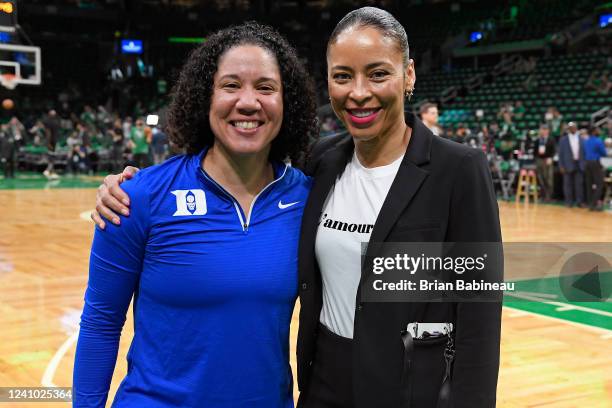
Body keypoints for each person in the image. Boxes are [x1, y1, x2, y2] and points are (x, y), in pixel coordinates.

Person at [93, 8, 502, 408]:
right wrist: (127, 183)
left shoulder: (458, 171)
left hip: (410, 389)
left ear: (408, 74)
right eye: (343, 76)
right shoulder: (321, 165)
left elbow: (479, 321)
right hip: (323, 384)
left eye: (378, 73)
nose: (359, 92)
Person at [74, 21, 317, 407]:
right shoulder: (137, 197)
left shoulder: (309, 199)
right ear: (206, 97)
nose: (249, 102)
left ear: (288, 103)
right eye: (231, 85)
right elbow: (101, 323)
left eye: (266, 87)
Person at [558, 121, 586, 207]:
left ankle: (579, 202)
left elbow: (584, 153)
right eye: (571, 127)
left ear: (576, 128)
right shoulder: (563, 140)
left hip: (579, 164)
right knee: (567, 184)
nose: (572, 128)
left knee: (579, 184)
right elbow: (560, 154)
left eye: (574, 127)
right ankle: (568, 202)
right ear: (568, 129)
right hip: (567, 164)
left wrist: (584, 164)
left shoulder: (581, 139)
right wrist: (561, 166)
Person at [584, 127, 607, 210]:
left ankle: (590, 203)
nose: (599, 131)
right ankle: (594, 204)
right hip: (595, 163)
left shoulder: (586, 141)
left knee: (589, 184)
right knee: (600, 184)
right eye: (597, 130)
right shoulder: (598, 140)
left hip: (587, 163)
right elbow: (604, 153)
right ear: (593, 132)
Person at [533, 124, 556, 201]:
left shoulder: (551, 140)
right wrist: (536, 158)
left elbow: (554, 150)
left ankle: (549, 196)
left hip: (548, 160)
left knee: (549, 179)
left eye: (545, 129)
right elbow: (534, 151)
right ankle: (543, 196)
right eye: (542, 129)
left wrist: (551, 158)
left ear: (548, 131)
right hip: (539, 160)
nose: (543, 131)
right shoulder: (537, 140)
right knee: (541, 178)